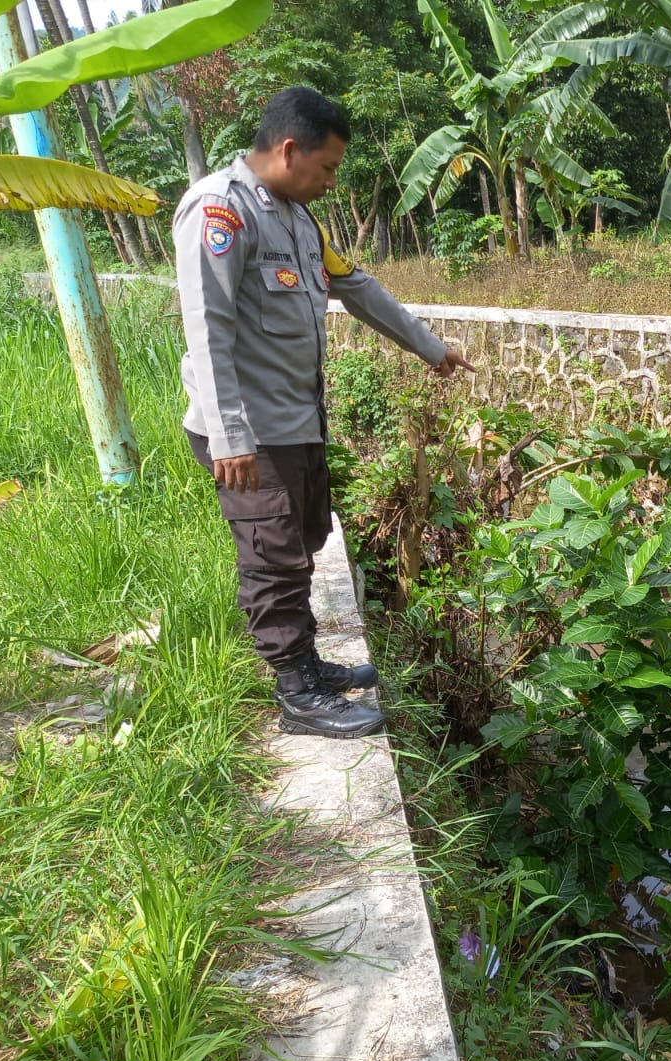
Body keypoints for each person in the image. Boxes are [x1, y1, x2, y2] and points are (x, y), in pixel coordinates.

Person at [176, 87, 473, 738]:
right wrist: (229, 435)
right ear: (289, 150)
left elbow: (357, 287)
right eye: (329, 167)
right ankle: (297, 697)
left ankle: (307, 666)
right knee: (273, 560)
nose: (332, 182)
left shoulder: (300, 221)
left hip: (296, 422)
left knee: (300, 548)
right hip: (249, 433)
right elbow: (207, 327)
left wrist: (431, 347)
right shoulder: (221, 211)